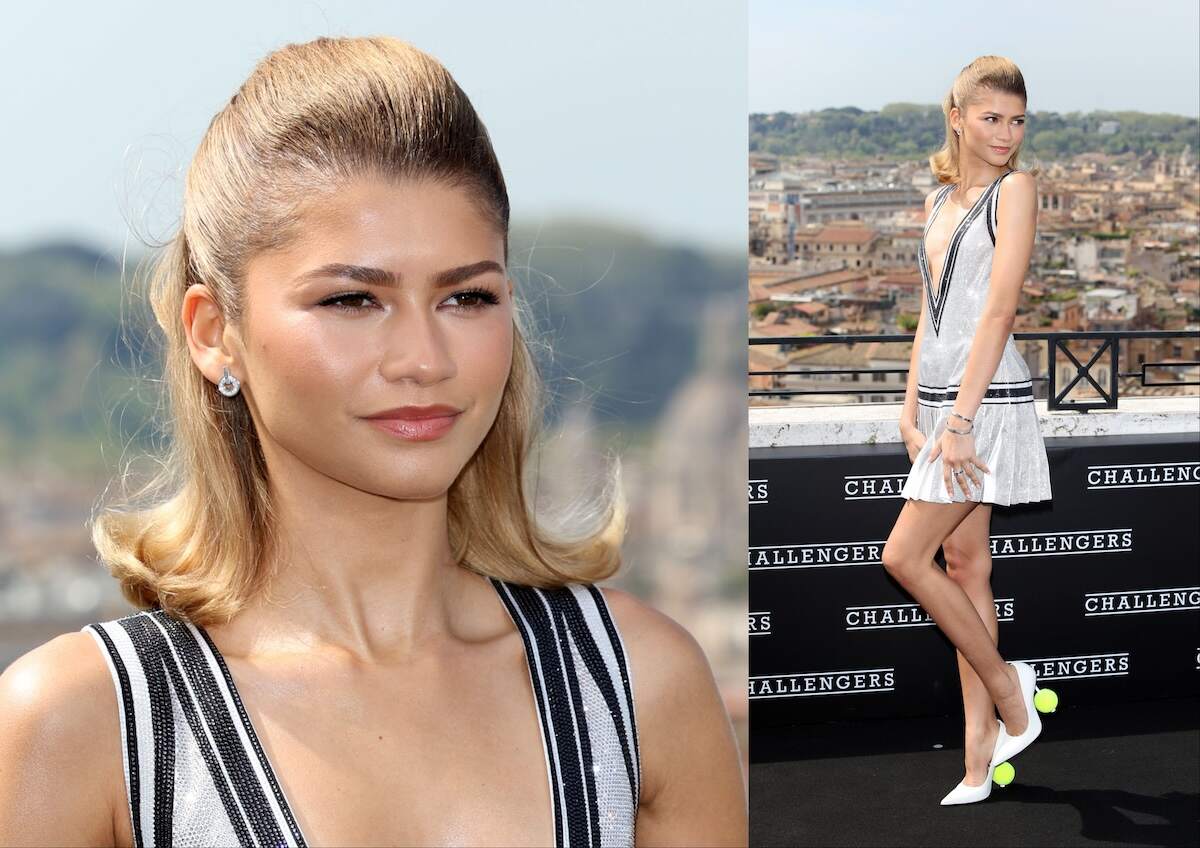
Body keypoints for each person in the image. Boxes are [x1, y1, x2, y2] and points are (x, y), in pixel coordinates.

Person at [0, 36, 747, 846]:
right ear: (214, 333)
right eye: (354, 300)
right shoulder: (81, 727)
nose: (424, 359)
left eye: (466, 297)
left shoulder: (640, 687)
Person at [885, 55, 1054, 806]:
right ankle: (978, 756)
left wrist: (957, 421)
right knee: (964, 567)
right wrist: (912, 401)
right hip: (944, 401)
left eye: (1016, 121)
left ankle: (1010, 691)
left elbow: (999, 310)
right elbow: (933, 311)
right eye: (991, 118)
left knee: (904, 556)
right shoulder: (939, 200)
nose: (1006, 134)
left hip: (984, 405)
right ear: (956, 116)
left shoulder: (1015, 190)